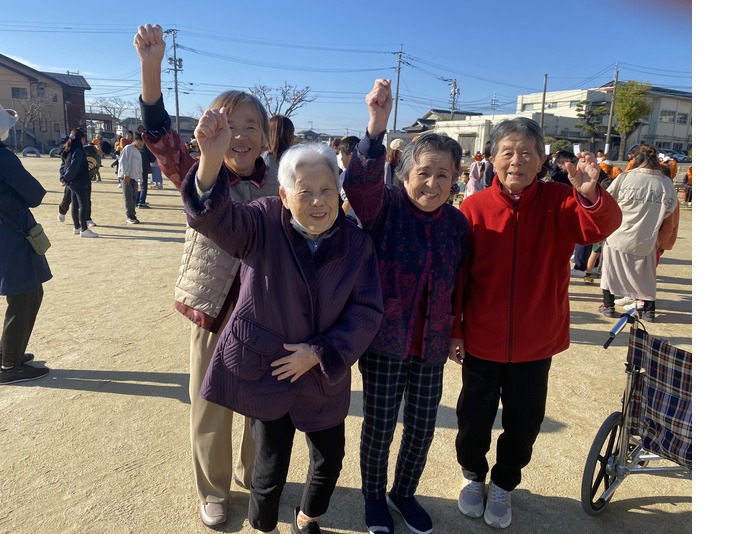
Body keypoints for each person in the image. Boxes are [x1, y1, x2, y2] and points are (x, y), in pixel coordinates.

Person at [185, 110, 384, 534]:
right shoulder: (261, 221)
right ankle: (264, 527)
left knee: (329, 459)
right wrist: (211, 160)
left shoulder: (356, 244)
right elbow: (212, 219)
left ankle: (308, 515)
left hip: (322, 375)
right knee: (268, 465)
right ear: (284, 194)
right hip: (268, 368)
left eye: (327, 190)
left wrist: (320, 352)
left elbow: (366, 312)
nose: (318, 201)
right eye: (305, 191)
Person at [134, 23, 279, 529]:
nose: (240, 134)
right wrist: (151, 70)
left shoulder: (283, 180)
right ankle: (213, 489)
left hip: (266, 314)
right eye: (228, 124)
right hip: (214, 309)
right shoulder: (197, 170)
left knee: (261, 404)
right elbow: (159, 138)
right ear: (209, 130)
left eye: (250, 125)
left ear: (266, 135)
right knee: (210, 402)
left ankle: (252, 474)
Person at [451, 117, 621, 530]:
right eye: (507, 152)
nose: (517, 161)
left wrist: (589, 193)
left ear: (542, 160)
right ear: (492, 159)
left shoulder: (561, 199)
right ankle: (473, 475)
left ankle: (504, 483)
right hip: (482, 339)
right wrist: (455, 329)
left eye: (527, 153)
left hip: (536, 340)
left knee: (524, 422)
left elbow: (600, 227)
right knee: (473, 417)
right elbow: (459, 275)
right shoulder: (474, 207)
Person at [342, 79, 469, 534]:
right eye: (424, 172)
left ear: (455, 178)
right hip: (385, 339)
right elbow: (358, 185)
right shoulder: (385, 208)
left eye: (443, 175)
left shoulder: (457, 224)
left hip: (431, 344)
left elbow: (459, 283)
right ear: (406, 174)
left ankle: (405, 491)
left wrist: (456, 330)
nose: (432, 183)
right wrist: (375, 127)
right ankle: (374, 496)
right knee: (379, 426)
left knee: (421, 427)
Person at [0, 94, 52, 385]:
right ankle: (9, 365)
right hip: (11, 234)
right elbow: (34, 194)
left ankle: (6, 353)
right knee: (25, 295)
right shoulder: (0, 157)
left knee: (23, 295)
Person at [598, 144, 679, 322]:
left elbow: (607, 201)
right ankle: (649, 310)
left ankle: (608, 305)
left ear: (636, 159)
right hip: (647, 237)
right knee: (646, 276)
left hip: (618, 234)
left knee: (610, 271)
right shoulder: (666, 183)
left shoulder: (625, 178)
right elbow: (670, 211)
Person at [60, 128, 98, 238]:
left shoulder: (69, 148)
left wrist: (63, 178)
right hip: (79, 181)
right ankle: (84, 229)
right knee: (83, 205)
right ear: (81, 138)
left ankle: (76, 227)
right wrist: (65, 178)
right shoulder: (78, 151)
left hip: (72, 182)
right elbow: (74, 167)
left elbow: (63, 165)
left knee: (75, 204)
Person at [117, 131, 144, 224]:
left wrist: (140, 180)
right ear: (135, 140)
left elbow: (140, 168)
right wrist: (126, 174)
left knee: (134, 197)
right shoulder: (128, 148)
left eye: (143, 143)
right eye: (140, 142)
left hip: (134, 178)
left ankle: (133, 215)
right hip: (126, 177)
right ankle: (130, 216)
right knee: (128, 196)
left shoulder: (138, 153)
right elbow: (122, 162)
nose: (142, 144)